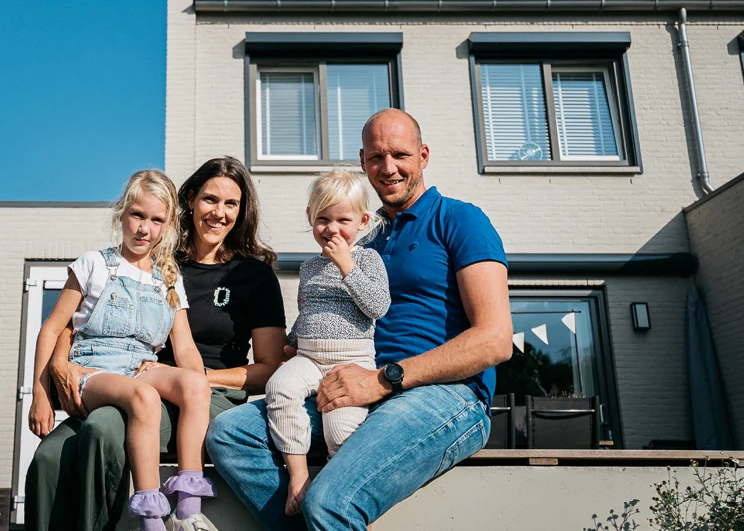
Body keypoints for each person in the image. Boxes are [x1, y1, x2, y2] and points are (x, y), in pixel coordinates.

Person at [206, 109, 513, 531]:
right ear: (363, 161)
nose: (388, 168)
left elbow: (495, 340)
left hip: (443, 396)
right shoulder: (363, 238)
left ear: (423, 156)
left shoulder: (459, 220)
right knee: (230, 434)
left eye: (401, 155)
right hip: (350, 381)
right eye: (375, 157)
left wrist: (384, 379)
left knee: (331, 501)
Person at [26, 156, 287, 531]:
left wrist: (201, 378)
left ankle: (151, 515)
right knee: (49, 456)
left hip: (189, 391)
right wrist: (59, 364)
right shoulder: (162, 261)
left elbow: (266, 369)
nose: (219, 213)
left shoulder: (251, 276)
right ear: (190, 202)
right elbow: (72, 319)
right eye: (210, 200)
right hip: (124, 379)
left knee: (104, 428)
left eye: (231, 204)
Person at [28, 169, 216, 531]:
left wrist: (199, 381)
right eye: (137, 216)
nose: (144, 228)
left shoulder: (169, 278)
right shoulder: (95, 264)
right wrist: (39, 392)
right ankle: (150, 516)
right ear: (122, 215)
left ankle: (189, 509)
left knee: (195, 386)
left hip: (139, 367)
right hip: (93, 370)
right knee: (144, 397)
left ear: (168, 224)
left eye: (156, 220)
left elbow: (186, 348)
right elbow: (52, 328)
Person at [264, 171, 389, 516]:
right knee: (279, 388)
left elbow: (378, 306)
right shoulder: (308, 267)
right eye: (323, 219)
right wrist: (290, 345)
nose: (332, 229)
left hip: (350, 362)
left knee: (339, 429)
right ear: (310, 219)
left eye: (343, 220)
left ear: (363, 221)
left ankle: (343, 501)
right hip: (308, 356)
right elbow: (306, 311)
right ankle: (299, 475)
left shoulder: (367, 260)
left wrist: (347, 266)